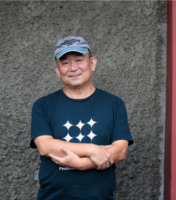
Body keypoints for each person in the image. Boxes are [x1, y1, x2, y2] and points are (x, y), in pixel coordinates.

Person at [30, 36, 133, 200]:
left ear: (92, 63)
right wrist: (92, 150)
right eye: (64, 63)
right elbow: (45, 146)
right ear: (57, 70)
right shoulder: (43, 105)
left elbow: (120, 151)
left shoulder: (114, 104)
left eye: (79, 60)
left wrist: (82, 164)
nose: (72, 68)